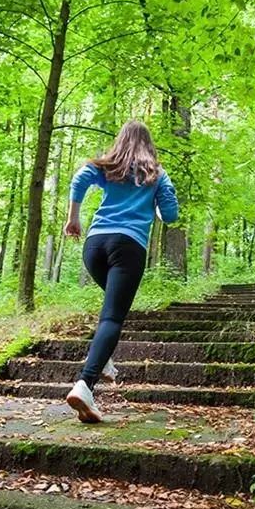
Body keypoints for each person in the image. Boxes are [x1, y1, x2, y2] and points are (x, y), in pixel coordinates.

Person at [63, 120, 179, 423]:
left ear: (121, 140)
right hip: (128, 248)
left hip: (95, 246)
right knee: (113, 317)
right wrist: (153, 204)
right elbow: (171, 215)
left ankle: (104, 361)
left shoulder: (108, 166)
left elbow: (79, 180)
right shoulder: (158, 175)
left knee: (110, 312)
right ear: (149, 145)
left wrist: (73, 219)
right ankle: (85, 383)